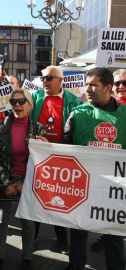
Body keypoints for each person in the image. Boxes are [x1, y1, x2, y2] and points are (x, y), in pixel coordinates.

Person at [63, 67, 126, 270]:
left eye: (93, 84)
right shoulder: (78, 113)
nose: (87, 89)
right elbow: (64, 145)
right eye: (86, 84)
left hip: (113, 191)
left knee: (113, 236)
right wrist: (45, 144)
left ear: (108, 87)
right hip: (83, 187)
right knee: (79, 232)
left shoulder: (125, 115)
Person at [0, 88, 47, 270]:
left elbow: (40, 163)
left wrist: (46, 148)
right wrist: (6, 184)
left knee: (28, 223)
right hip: (5, 179)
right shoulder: (0, 127)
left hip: (27, 181)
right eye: (13, 101)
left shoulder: (38, 128)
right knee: (1, 221)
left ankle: (27, 257)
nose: (17, 105)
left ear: (29, 105)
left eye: (21, 101)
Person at [30, 65, 80, 254]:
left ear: (60, 80)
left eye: (49, 78)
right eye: (43, 78)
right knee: (36, 196)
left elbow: (75, 129)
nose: (45, 81)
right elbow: (15, 104)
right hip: (38, 156)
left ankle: (61, 238)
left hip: (61, 156)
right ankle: (33, 234)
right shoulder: (35, 97)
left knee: (60, 198)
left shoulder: (72, 100)